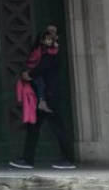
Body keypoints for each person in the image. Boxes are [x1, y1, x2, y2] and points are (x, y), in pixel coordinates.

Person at [10, 26, 75, 170]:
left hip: (49, 97)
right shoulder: (41, 52)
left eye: (53, 33)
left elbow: (42, 68)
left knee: (58, 128)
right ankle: (28, 159)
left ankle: (68, 159)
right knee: (33, 127)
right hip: (41, 98)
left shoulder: (54, 53)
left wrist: (29, 75)